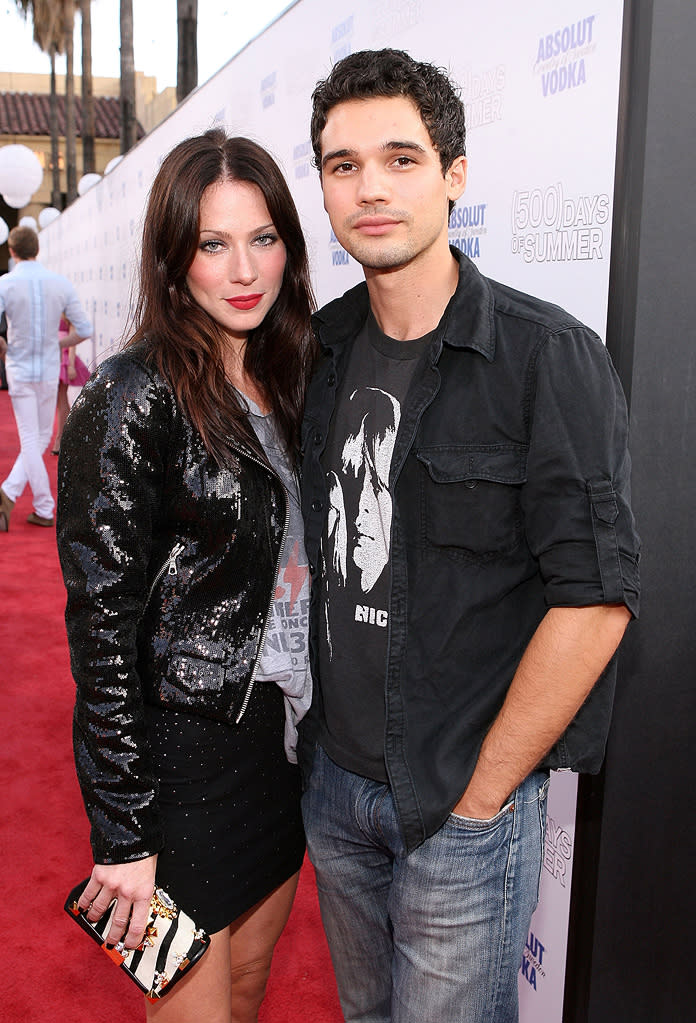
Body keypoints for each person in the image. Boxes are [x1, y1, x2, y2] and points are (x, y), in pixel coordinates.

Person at [299, 49, 640, 1023]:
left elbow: (596, 600)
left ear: (454, 174)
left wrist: (485, 794)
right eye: (343, 164)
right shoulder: (318, 353)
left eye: (401, 159)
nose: (370, 188)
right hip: (333, 788)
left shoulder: (545, 359)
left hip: (459, 803)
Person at [56, 129, 316, 1023]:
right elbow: (100, 626)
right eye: (212, 243)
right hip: (177, 767)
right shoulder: (133, 396)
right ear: (175, 259)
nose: (243, 268)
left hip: (274, 750)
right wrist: (123, 830)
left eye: (263, 237)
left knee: (248, 994)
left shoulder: (296, 377)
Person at [0, 226, 92, 531]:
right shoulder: (60, 283)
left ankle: (34, 503)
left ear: (12, 251)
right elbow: (84, 329)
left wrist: (3, 344)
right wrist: (57, 344)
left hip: (20, 369)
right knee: (38, 437)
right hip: (48, 370)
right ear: (37, 249)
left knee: (33, 437)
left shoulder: (6, 283)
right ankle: (26, 501)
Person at [51, 317, 92, 454]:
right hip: (50, 356)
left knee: (61, 399)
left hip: (63, 357)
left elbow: (73, 340)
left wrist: (71, 364)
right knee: (58, 401)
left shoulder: (67, 312)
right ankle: (65, 437)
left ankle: (61, 439)